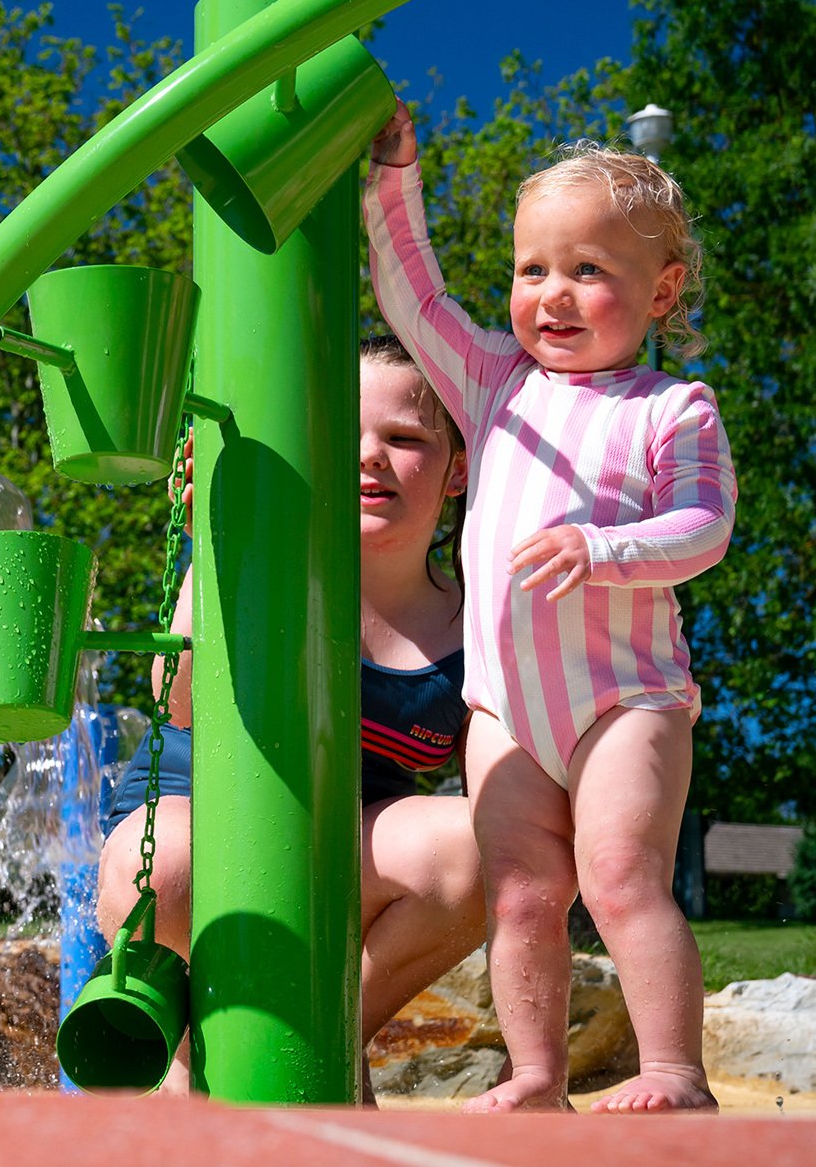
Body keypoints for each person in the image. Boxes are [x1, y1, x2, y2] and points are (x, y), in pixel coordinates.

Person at [366, 102, 735, 1113]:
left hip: (627, 698)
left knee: (618, 875)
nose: (553, 295)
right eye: (533, 270)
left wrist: (603, 546)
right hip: (507, 711)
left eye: (588, 270)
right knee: (523, 894)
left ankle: (673, 1070)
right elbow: (416, 300)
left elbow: (704, 526)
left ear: (660, 291)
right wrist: (395, 182)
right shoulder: (495, 385)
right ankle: (536, 1074)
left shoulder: (670, 406)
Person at [96, 337, 487, 1098]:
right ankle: (195, 1049)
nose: (371, 458)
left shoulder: (476, 621)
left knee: (488, 845)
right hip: (201, 810)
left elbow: (492, 793)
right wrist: (214, 541)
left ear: (458, 469)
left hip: (353, 839)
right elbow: (175, 699)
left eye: (405, 440)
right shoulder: (272, 559)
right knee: (164, 868)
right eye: (347, 439)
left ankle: (332, 1037)